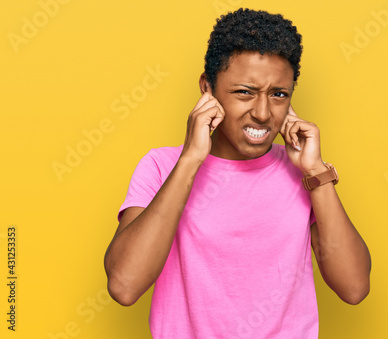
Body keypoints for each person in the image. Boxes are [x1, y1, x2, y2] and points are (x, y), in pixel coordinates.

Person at [104, 8, 371, 339]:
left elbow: (354, 287)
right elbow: (124, 285)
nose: (262, 113)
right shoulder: (161, 166)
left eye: (278, 95)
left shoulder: (303, 173)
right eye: (245, 92)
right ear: (207, 89)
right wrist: (190, 160)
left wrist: (316, 172)